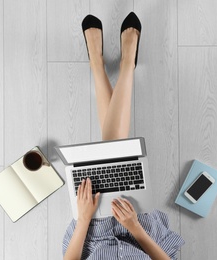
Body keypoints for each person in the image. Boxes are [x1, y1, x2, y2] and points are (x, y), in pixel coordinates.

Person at [62, 12, 184, 260]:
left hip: (91, 231)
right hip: (141, 233)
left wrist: (84, 218)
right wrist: (135, 227)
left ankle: (120, 64)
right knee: (114, 151)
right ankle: (108, 64)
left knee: (113, 148)